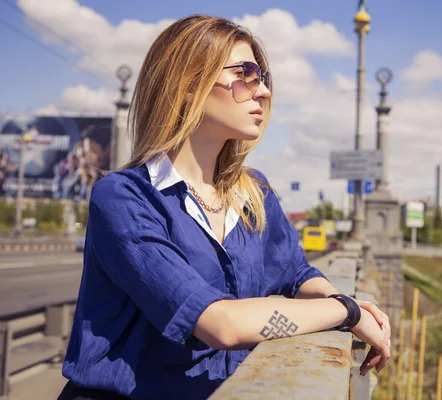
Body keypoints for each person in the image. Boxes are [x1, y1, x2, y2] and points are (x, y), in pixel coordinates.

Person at [58, 15, 391, 400]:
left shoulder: (254, 195)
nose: (263, 91)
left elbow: (297, 276)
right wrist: (346, 311)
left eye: (263, 77)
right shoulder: (124, 198)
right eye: (246, 74)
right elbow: (220, 325)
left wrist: (336, 299)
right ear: (187, 86)